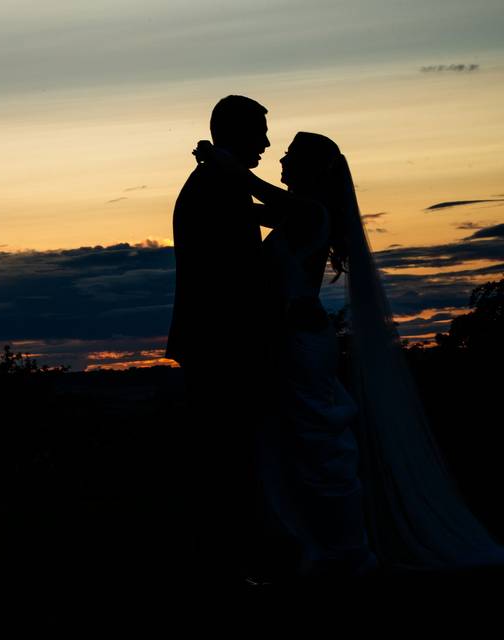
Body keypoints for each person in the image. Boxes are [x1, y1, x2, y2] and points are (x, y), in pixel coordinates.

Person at [194, 132, 504, 577]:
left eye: (291, 155)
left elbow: (254, 192)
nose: (280, 157)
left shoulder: (309, 211)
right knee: (303, 441)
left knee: (321, 442)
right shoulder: (299, 213)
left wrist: (217, 158)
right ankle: (321, 542)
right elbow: (246, 210)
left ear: (311, 168)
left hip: (302, 340)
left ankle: (345, 550)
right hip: (291, 338)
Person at [163, 95, 282, 583]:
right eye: (259, 131)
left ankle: (230, 559)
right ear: (234, 133)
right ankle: (231, 564)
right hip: (223, 344)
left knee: (227, 456)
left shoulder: (219, 178)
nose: (269, 143)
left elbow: (285, 217)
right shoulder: (217, 182)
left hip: (216, 341)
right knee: (228, 459)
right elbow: (231, 273)